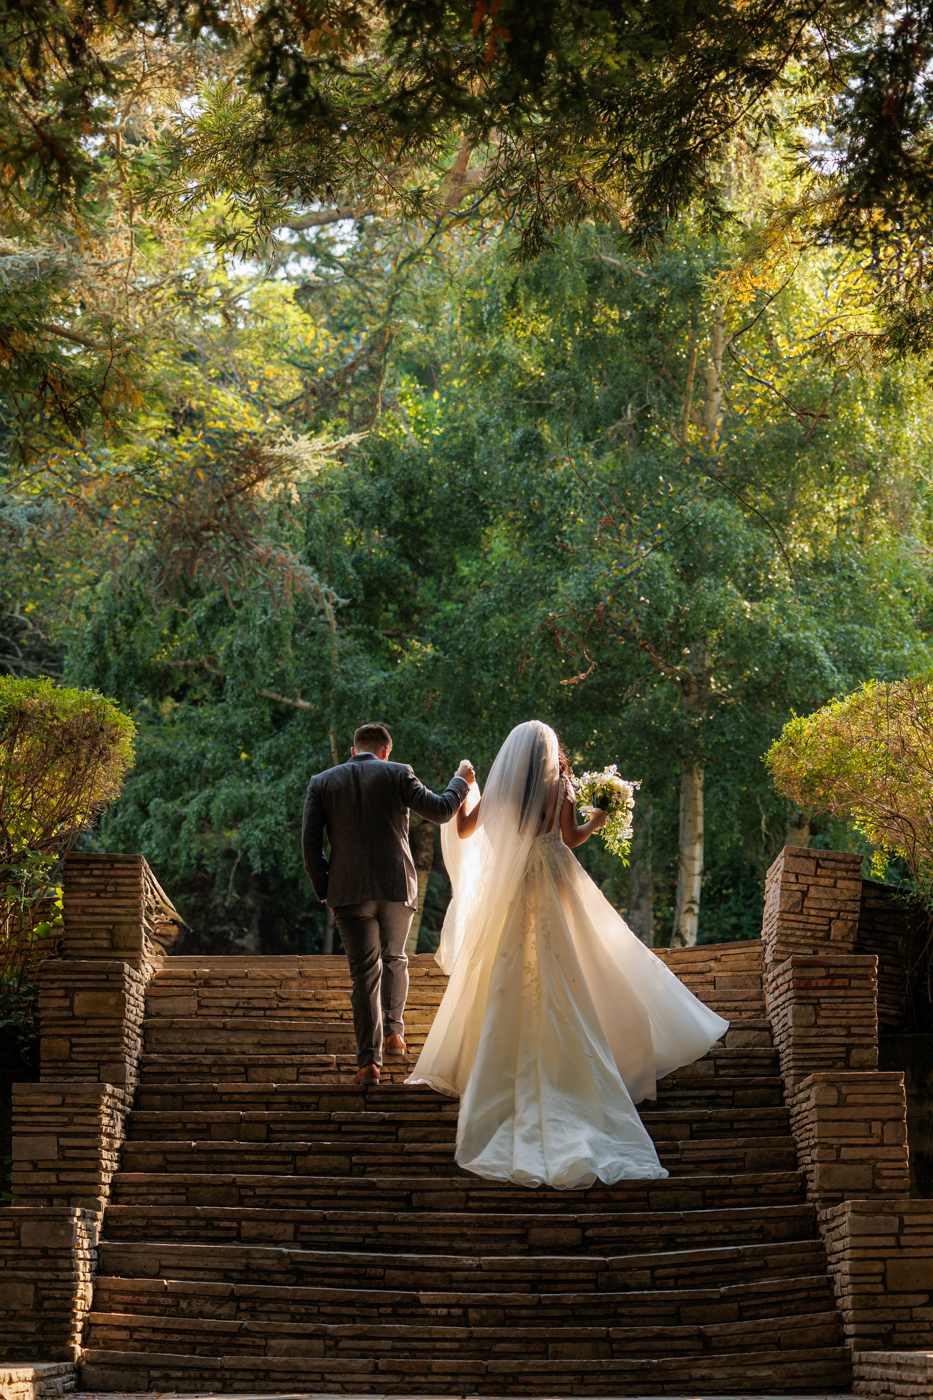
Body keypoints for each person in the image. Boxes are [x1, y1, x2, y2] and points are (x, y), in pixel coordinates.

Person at [407, 719, 729, 1188]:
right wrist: (599, 818)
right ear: (549, 751)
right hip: (554, 878)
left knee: (506, 968)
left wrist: (470, 788)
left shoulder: (498, 790)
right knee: (586, 958)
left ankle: (490, 1061)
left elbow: (465, 829)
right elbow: (571, 836)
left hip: (513, 888)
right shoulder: (561, 786)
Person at [302, 721, 474, 1084]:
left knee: (364, 973)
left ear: (353, 750)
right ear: (386, 751)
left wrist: (326, 891)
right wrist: (461, 779)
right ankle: (395, 1033)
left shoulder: (322, 782)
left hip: (347, 892)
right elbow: (442, 810)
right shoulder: (399, 773)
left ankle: (369, 1063)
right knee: (395, 957)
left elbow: (310, 847)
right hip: (397, 886)